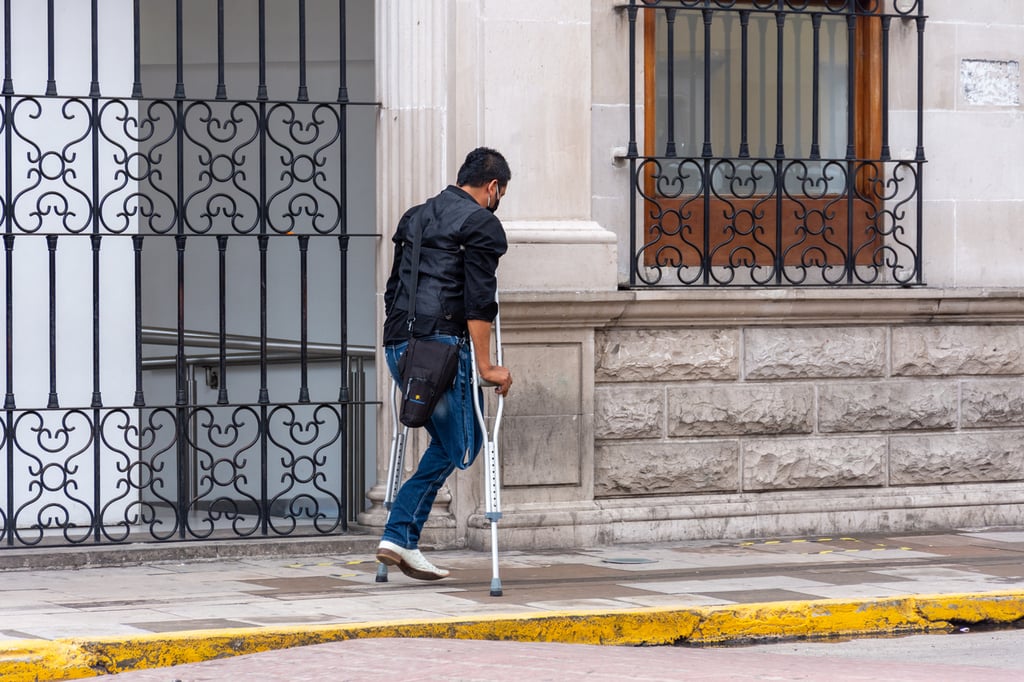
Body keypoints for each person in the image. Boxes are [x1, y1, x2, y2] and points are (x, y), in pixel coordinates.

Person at [376, 147, 513, 581]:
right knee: (463, 444)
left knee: (445, 440)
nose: (498, 202)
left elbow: (393, 287)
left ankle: (403, 539)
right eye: (501, 194)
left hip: (400, 344)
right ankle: (398, 535)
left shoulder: (414, 216)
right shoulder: (481, 224)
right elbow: (479, 302)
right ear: (493, 187)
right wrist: (489, 367)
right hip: (443, 348)